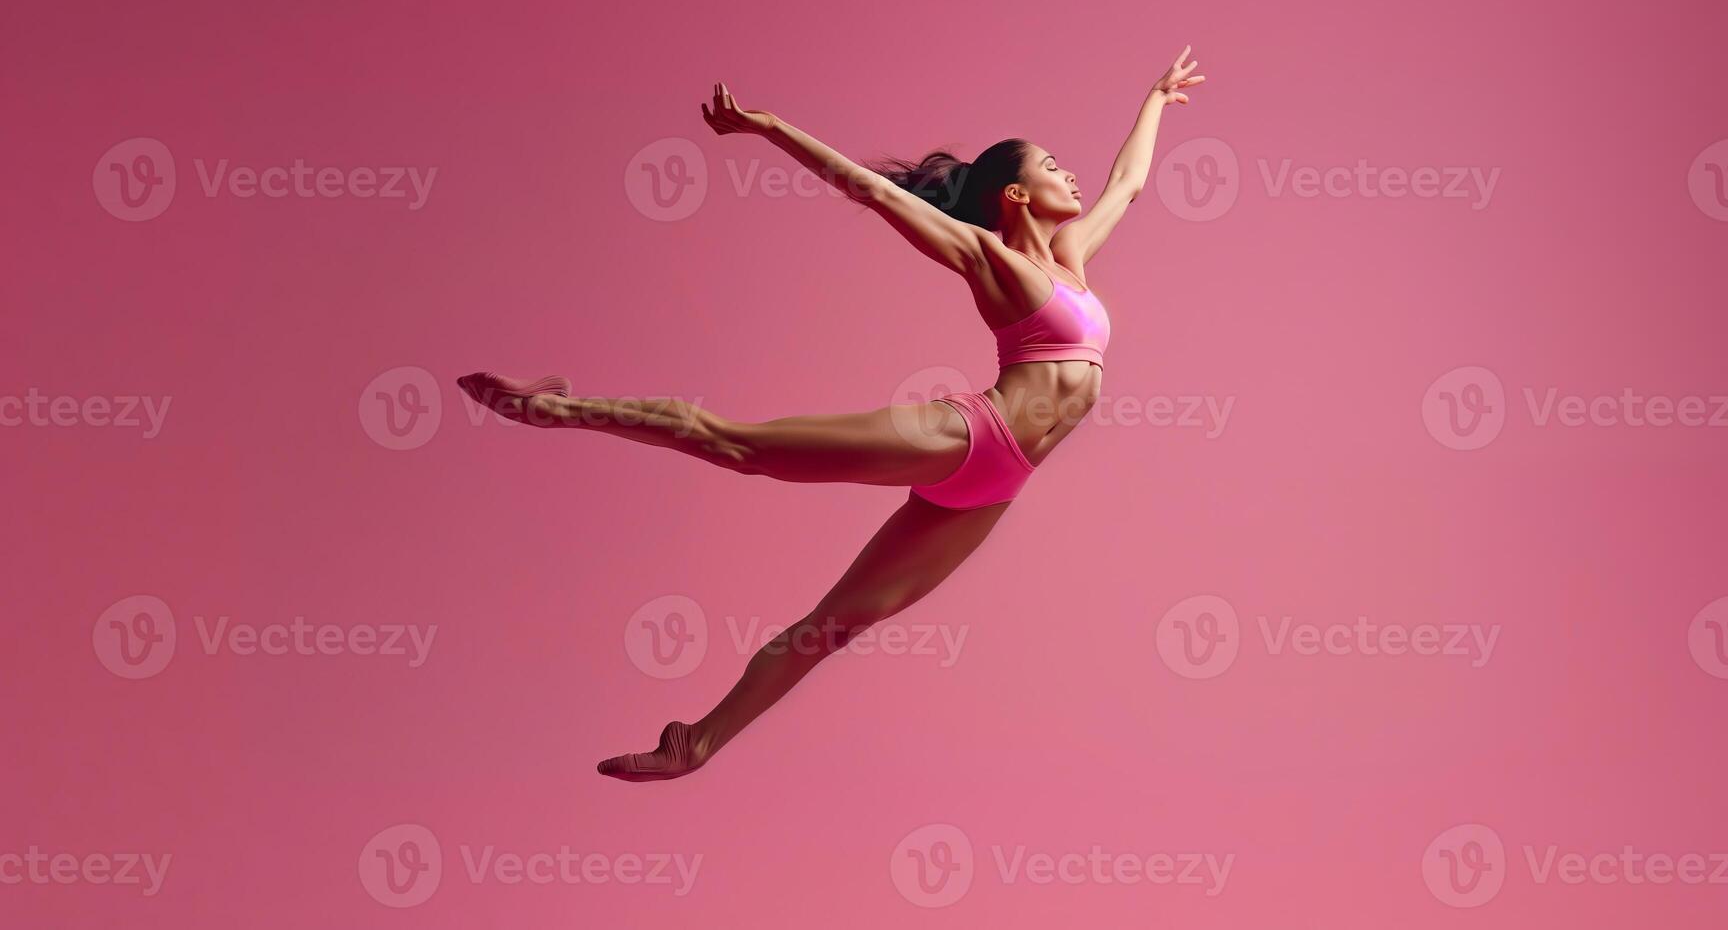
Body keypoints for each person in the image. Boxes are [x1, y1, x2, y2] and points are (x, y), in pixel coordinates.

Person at [459, 46, 1207, 781]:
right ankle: (556, 406)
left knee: (836, 625)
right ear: (1013, 196)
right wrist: (770, 128)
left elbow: (1128, 182)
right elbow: (876, 193)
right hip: (967, 436)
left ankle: (694, 743)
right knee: (737, 447)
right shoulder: (990, 258)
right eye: (1049, 165)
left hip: (995, 488)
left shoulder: (1072, 257)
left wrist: (1154, 96)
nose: (1067, 173)